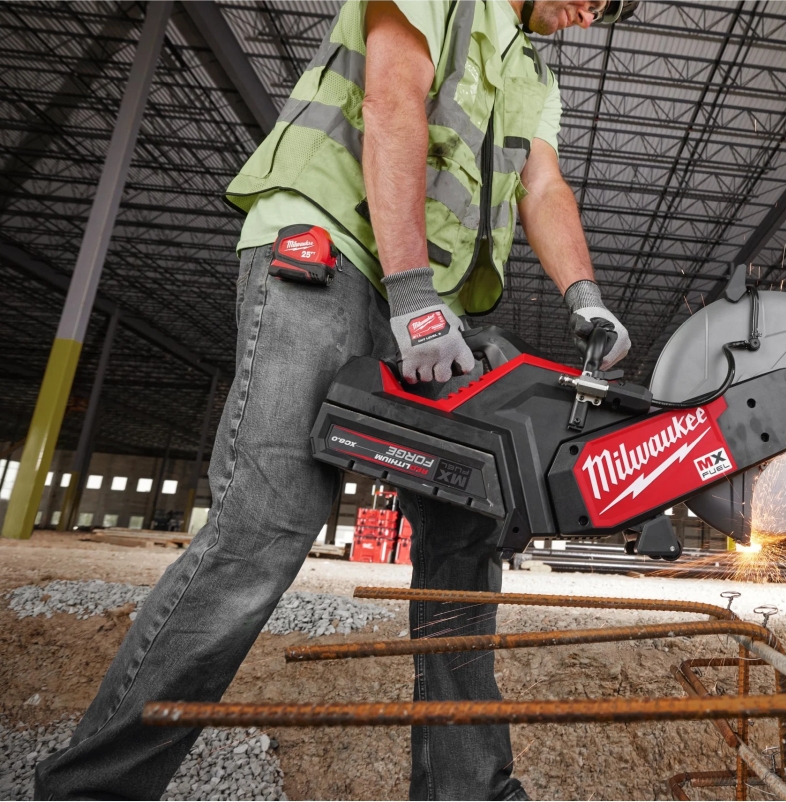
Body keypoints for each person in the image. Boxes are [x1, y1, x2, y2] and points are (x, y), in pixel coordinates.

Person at [35, 1, 638, 799]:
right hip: (331, 245)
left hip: (427, 292)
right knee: (272, 516)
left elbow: (544, 183)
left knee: (468, 529)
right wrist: (412, 294)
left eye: (608, 11)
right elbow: (392, 98)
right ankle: (90, 793)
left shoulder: (533, 73)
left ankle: (466, 793)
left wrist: (585, 296)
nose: (591, 14)